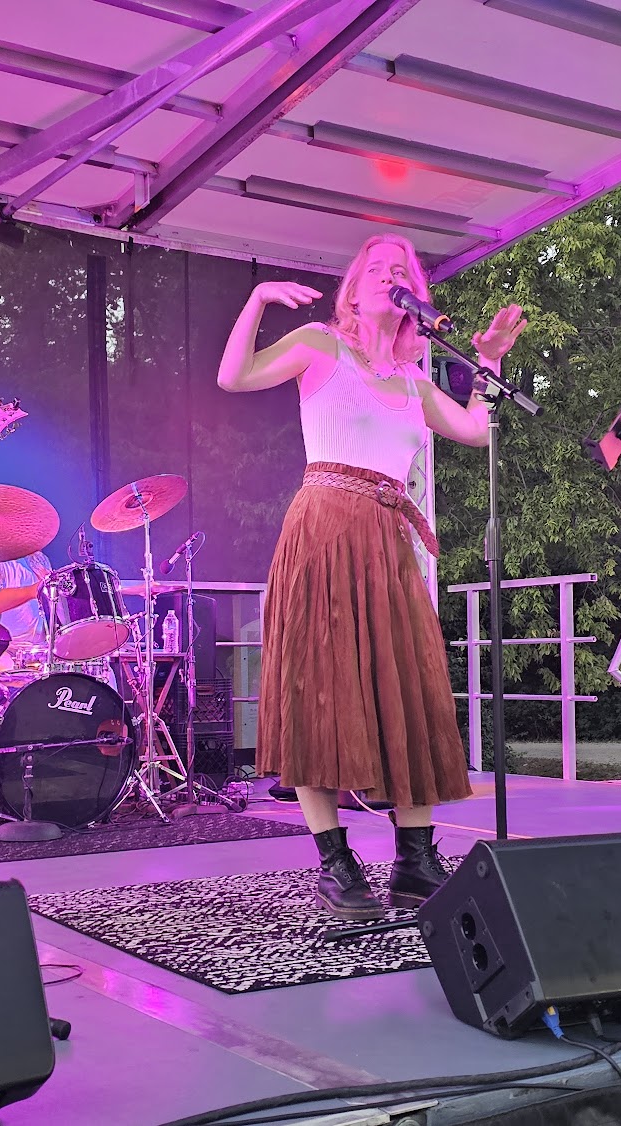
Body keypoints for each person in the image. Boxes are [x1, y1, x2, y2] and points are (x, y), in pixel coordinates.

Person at [218, 234, 526, 920]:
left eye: (405, 271)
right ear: (354, 291)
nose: (393, 277)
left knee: (405, 688)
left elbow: (476, 430)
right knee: (318, 690)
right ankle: (335, 860)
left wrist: (487, 360)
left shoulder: (415, 378)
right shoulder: (319, 345)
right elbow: (233, 376)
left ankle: (416, 861)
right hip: (325, 527)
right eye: (379, 269)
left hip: (387, 540)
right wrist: (258, 298)